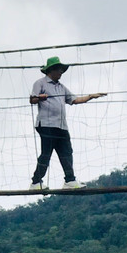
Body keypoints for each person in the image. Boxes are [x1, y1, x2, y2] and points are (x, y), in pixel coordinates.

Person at [28, 56, 106, 191]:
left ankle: (70, 180)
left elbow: (74, 100)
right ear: (51, 70)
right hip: (46, 124)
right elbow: (32, 100)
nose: (61, 73)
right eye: (59, 70)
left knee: (67, 152)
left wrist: (90, 96)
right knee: (46, 153)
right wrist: (40, 98)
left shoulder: (62, 87)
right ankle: (36, 182)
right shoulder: (40, 83)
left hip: (61, 126)